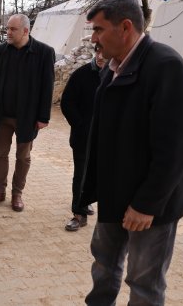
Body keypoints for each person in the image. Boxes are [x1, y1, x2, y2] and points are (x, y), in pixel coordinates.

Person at [79, 0, 183, 304]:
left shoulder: (166, 67)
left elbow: (176, 148)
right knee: (103, 267)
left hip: (150, 208)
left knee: (144, 285)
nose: (94, 38)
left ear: (125, 27)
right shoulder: (112, 68)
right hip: (115, 197)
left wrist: (147, 204)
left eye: (99, 29)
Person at [0, 14, 55, 212]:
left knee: (23, 157)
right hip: (2, 115)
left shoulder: (44, 53)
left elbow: (47, 87)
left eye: (12, 29)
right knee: (0, 154)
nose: (8, 32)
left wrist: (43, 117)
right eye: (7, 28)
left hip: (28, 117)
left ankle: (17, 194)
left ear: (25, 31)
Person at [60, 48, 106, 231]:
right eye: (98, 52)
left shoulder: (118, 74)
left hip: (108, 139)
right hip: (83, 138)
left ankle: (89, 203)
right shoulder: (81, 74)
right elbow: (67, 102)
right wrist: (80, 125)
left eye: (105, 52)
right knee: (81, 175)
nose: (101, 56)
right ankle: (78, 214)